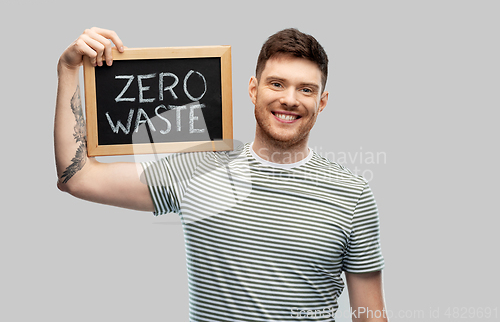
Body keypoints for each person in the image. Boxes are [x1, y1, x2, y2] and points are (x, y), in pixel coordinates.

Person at [55, 27, 388, 321]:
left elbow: (370, 316)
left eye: (306, 89)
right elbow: (78, 177)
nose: (290, 99)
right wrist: (69, 69)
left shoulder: (351, 193)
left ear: (322, 101)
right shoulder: (197, 168)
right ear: (253, 90)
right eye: (277, 84)